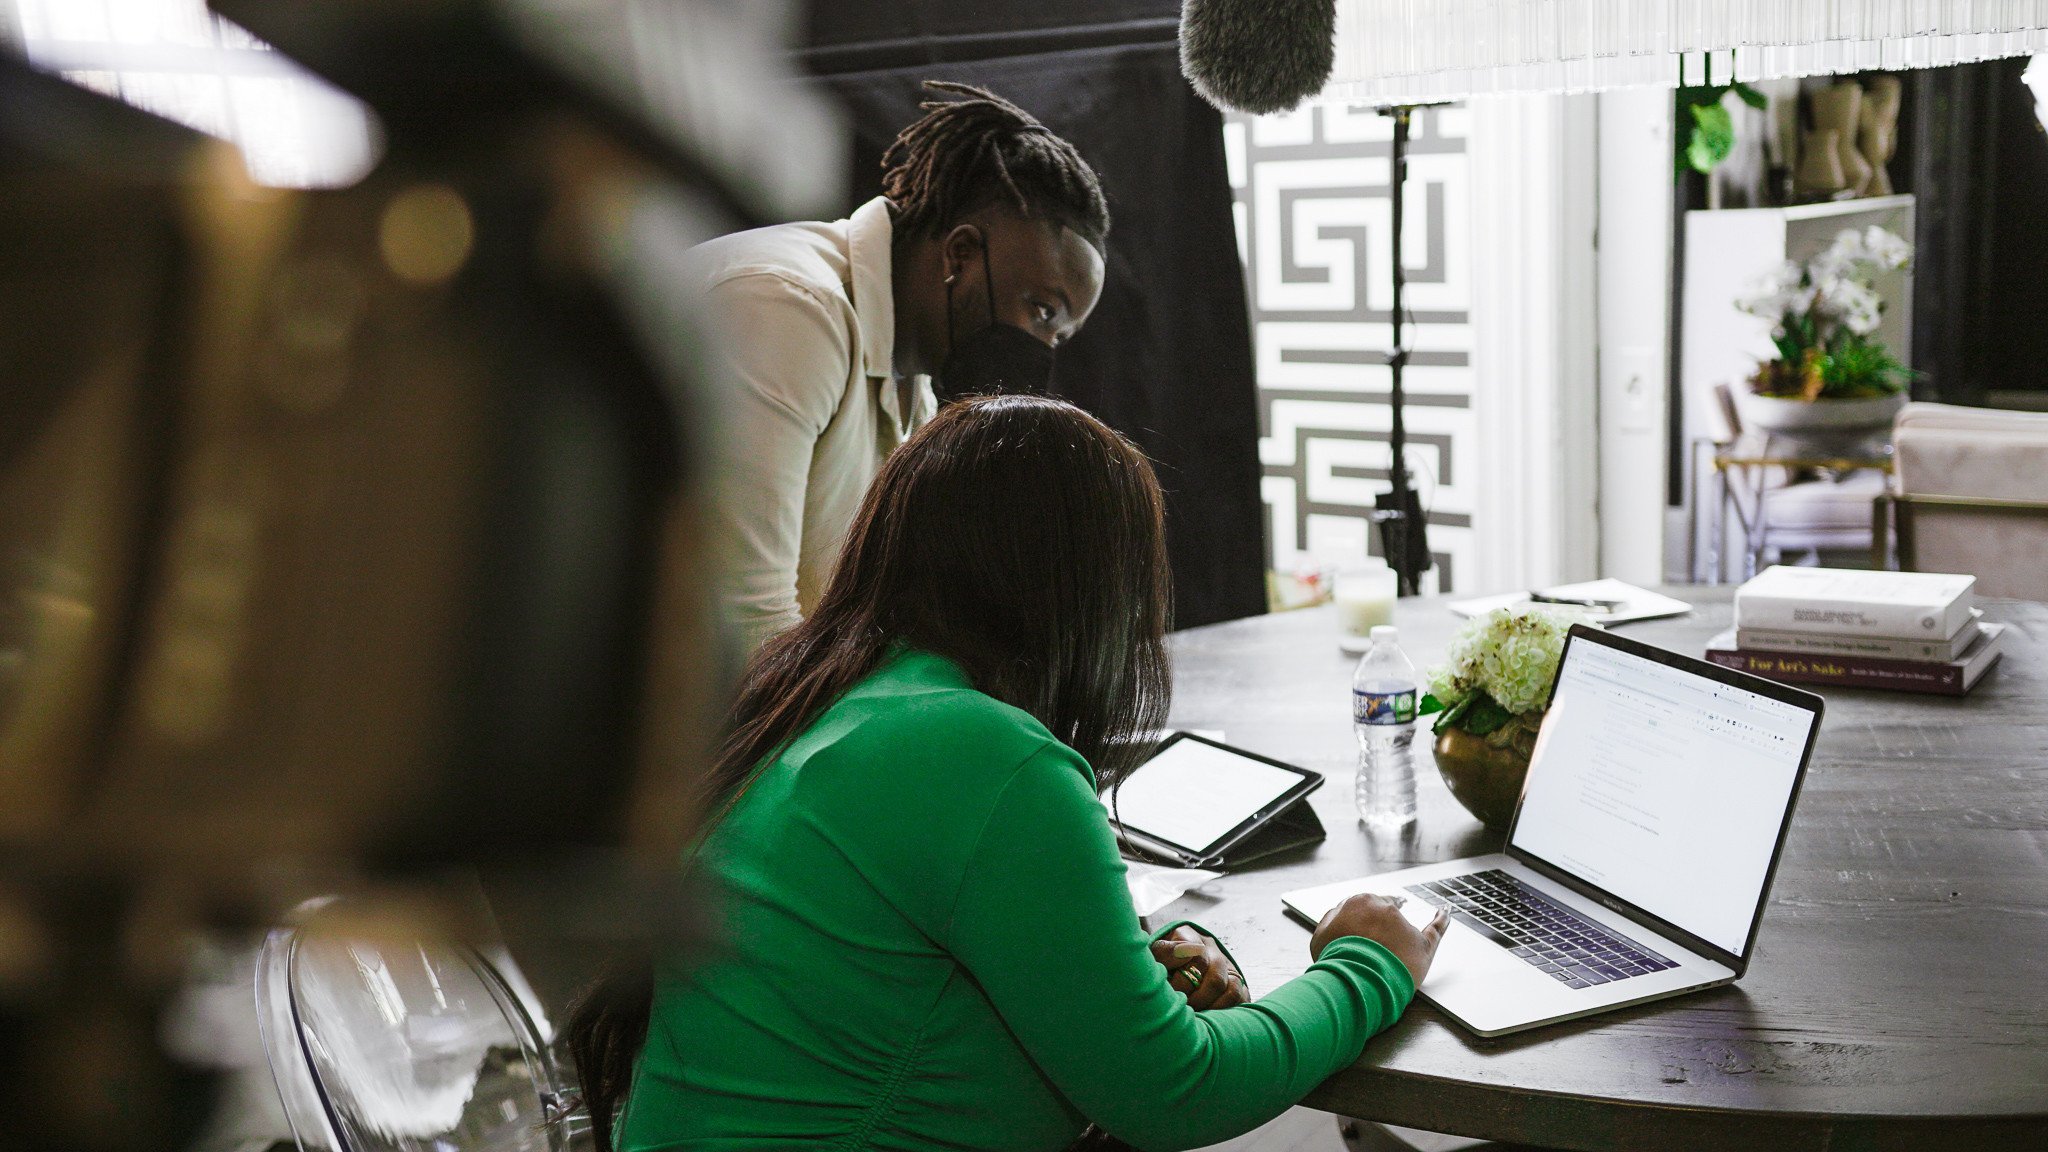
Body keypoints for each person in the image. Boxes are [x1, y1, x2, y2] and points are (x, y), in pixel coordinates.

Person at [564, 396, 1447, 1152]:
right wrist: (1372, 963)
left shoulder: (820, 693)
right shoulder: (987, 756)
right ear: (1085, 589)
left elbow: (908, 961)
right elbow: (1179, 1091)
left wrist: (1133, 965)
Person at [684, 82, 1112, 651]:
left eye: (1060, 335)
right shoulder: (789, 306)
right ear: (959, 254)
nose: (1043, 348)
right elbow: (743, 627)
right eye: (1041, 311)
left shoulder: (917, 382)